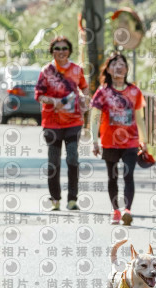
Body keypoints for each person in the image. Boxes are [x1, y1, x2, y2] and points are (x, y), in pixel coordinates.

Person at [90, 52, 148, 225]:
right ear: (108, 69)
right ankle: (115, 210)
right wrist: (94, 141)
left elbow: (140, 118)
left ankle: (127, 211)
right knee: (112, 177)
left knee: (129, 175)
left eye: (122, 64)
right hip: (110, 141)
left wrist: (144, 140)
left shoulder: (134, 91)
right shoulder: (103, 92)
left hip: (131, 141)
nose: (119, 67)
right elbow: (94, 117)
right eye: (114, 64)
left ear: (127, 69)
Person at [35, 35, 90, 211]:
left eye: (64, 48)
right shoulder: (46, 71)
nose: (61, 51)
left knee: (72, 158)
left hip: (73, 121)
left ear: (70, 51)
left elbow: (84, 87)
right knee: (54, 161)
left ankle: (72, 199)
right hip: (51, 122)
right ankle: (55, 199)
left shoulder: (76, 70)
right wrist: (53, 101)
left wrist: (85, 99)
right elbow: (38, 95)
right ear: (52, 51)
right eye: (57, 48)